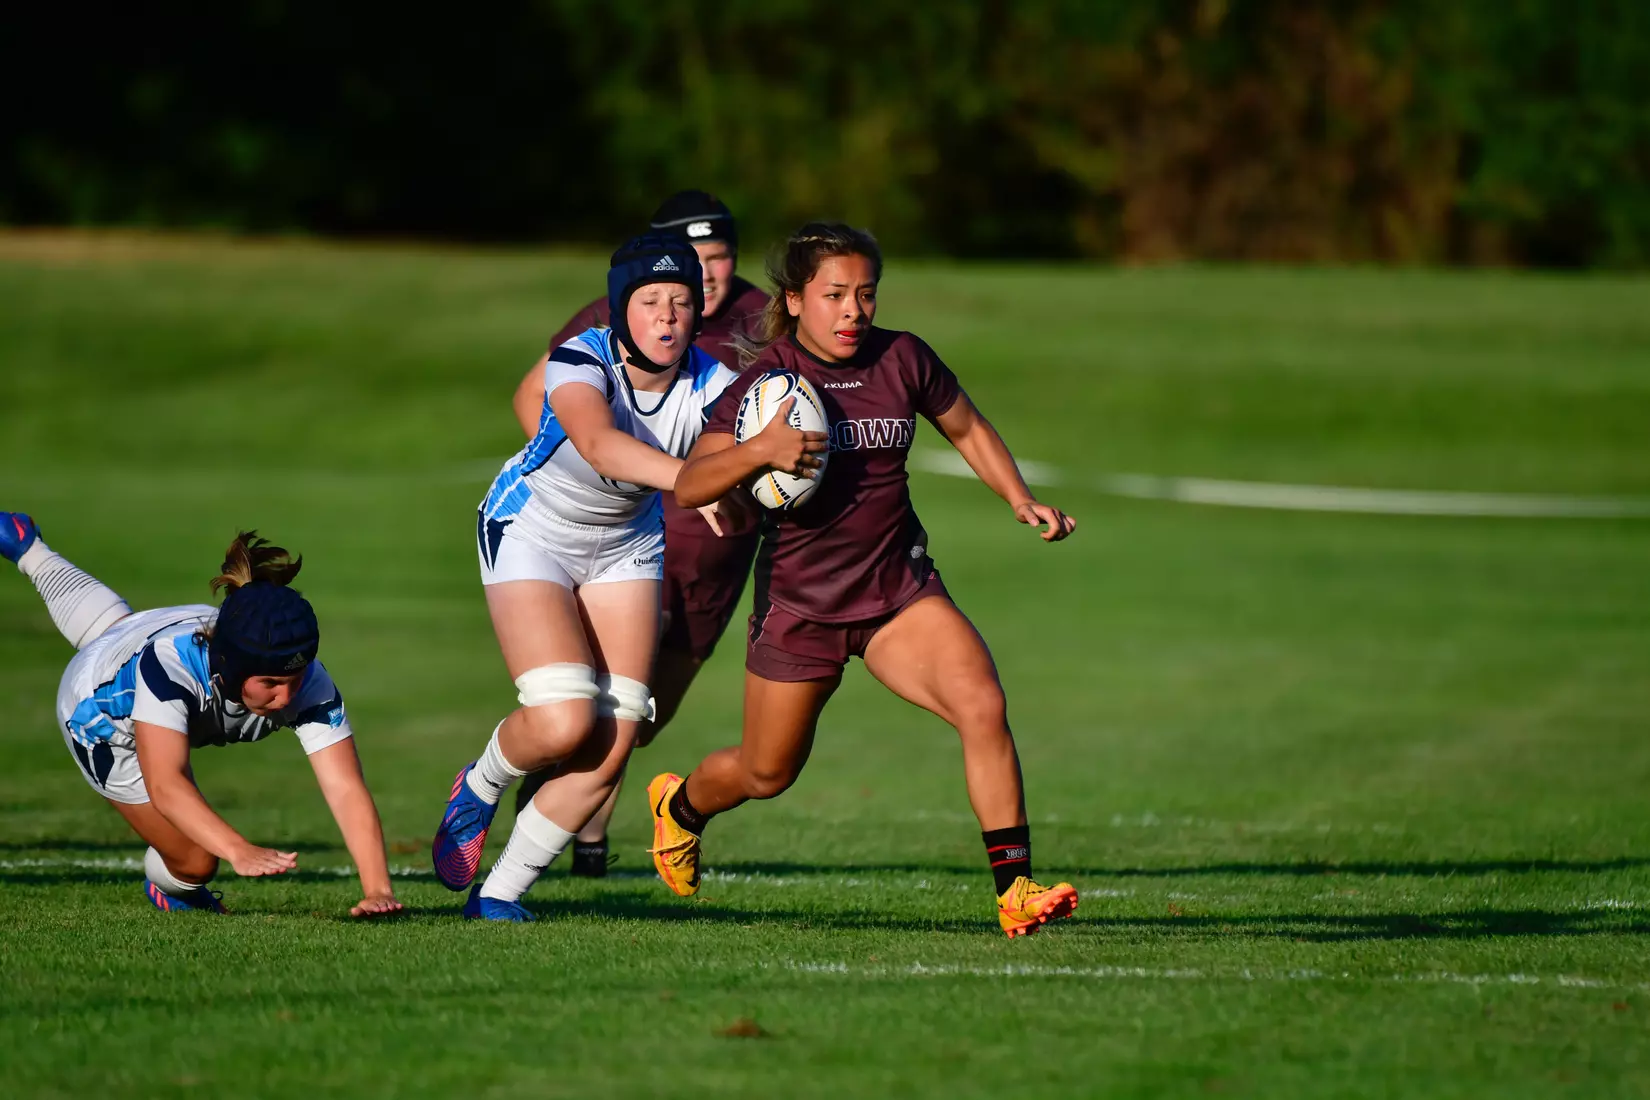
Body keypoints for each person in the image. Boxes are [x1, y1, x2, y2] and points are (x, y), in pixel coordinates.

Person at [645, 223, 1082, 938]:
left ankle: (1016, 890)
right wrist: (761, 450)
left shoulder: (903, 357)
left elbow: (967, 427)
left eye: (866, 294)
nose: (853, 310)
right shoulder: (767, 382)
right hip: (801, 609)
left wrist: (1018, 497)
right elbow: (692, 485)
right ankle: (681, 807)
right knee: (765, 773)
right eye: (835, 295)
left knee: (982, 704)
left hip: (897, 593)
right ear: (795, 300)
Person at [432, 233, 802, 921]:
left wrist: (745, 477)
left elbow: (740, 453)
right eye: (650, 300)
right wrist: (701, 479)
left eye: (681, 301)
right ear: (619, 308)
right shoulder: (582, 358)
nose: (668, 316)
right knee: (562, 721)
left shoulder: (715, 386)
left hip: (627, 545)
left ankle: (500, 895)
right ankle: (481, 783)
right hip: (531, 529)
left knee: (613, 741)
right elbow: (601, 447)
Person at [510, 191, 769, 877]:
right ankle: (582, 838)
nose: (708, 273)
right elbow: (535, 394)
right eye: (695, 257)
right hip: (637, 539)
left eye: (722, 257)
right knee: (616, 699)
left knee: (647, 717)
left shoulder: (764, 318)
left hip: (721, 555)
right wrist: (590, 475)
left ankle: (562, 789)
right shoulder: (623, 310)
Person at [0, 514, 402, 918]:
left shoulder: (305, 680)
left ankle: (29, 550)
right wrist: (237, 849)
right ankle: (171, 890)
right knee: (197, 861)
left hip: (147, 632)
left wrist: (377, 889)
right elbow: (166, 784)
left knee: (113, 631)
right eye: (269, 682)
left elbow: (344, 786)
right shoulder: (171, 672)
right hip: (100, 718)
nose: (285, 697)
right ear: (230, 667)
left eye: (294, 679)